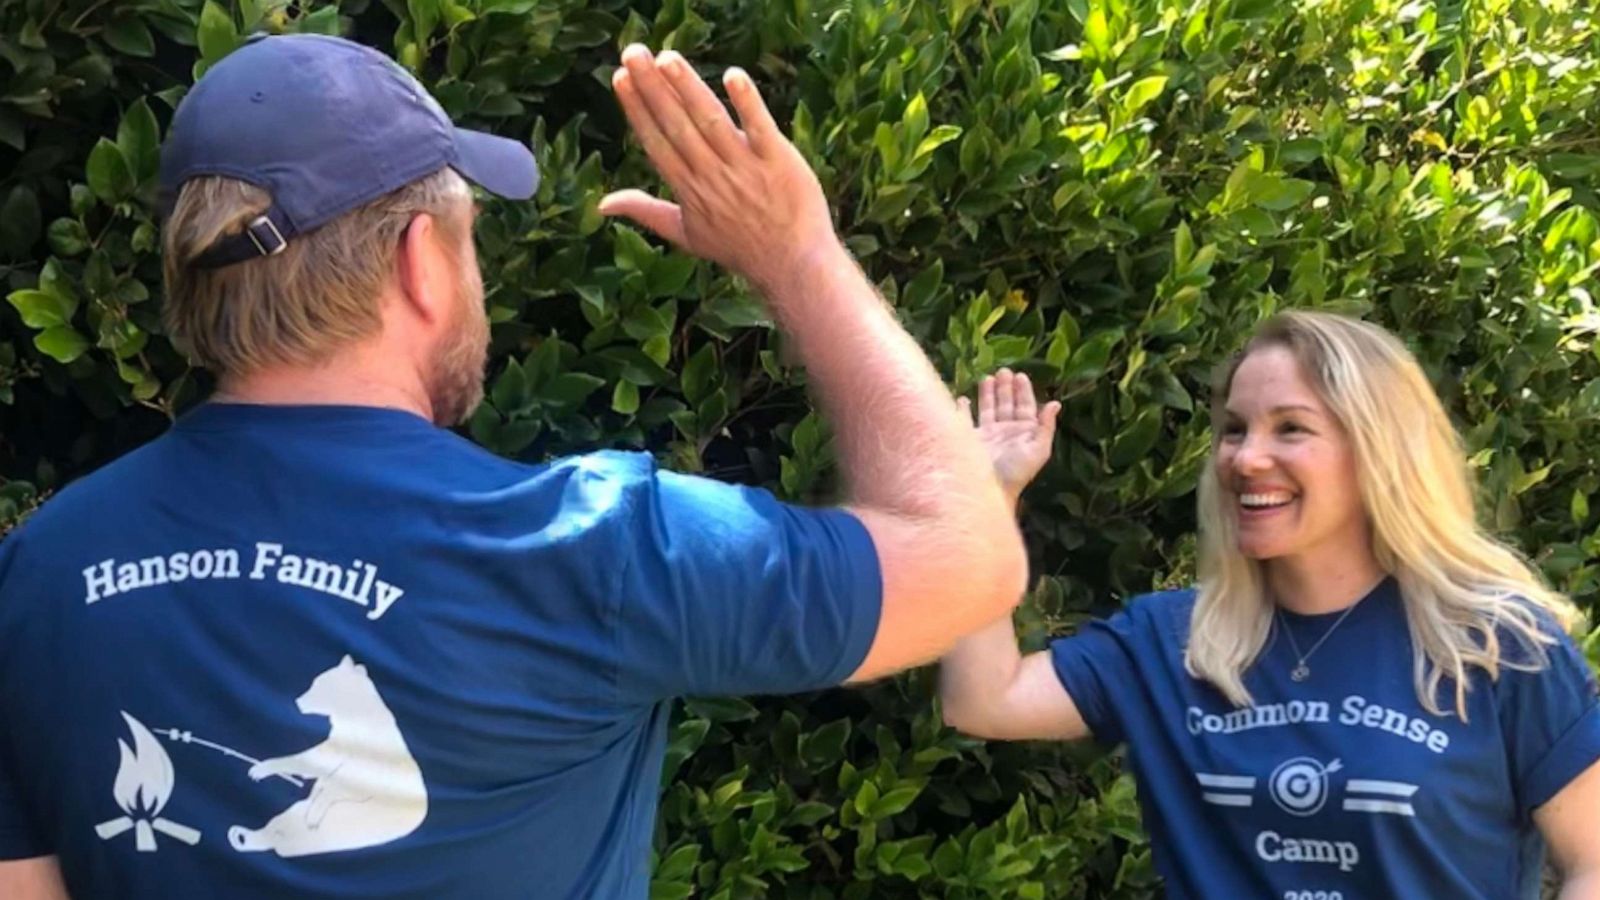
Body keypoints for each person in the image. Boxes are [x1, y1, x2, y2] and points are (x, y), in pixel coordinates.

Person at [0, 35, 1027, 899]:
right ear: (418, 262)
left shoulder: (41, 574)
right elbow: (970, 558)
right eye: (469, 240)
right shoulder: (593, 549)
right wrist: (797, 258)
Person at [941, 312, 1600, 898]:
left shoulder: (1496, 647)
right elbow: (983, 699)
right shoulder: (1172, 642)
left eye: (1290, 429)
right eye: (1234, 430)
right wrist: (987, 497)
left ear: (1377, 453)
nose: (1247, 457)